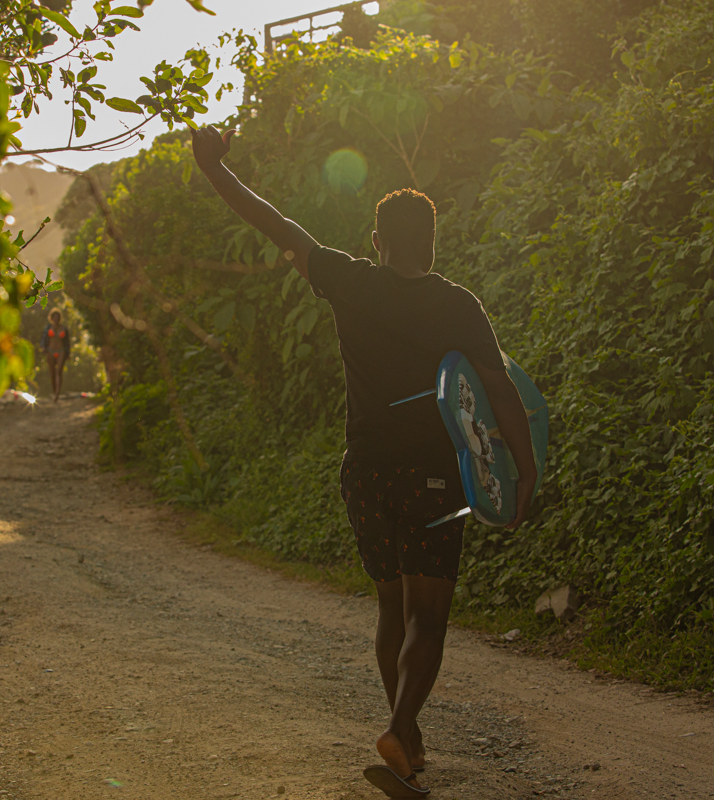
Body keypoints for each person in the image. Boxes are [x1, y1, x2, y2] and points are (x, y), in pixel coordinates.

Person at [191, 126, 537, 798]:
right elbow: (502, 394)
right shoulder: (458, 303)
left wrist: (214, 170)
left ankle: (405, 740)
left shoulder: (349, 281)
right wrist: (521, 473)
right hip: (434, 476)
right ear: (432, 242)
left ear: (378, 242)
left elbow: (275, 223)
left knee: (390, 607)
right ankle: (400, 724)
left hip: (366, 474)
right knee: (427, 616)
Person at [41, 309, 71, 402]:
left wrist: (68, 353)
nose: (56, 319)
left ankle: (57, 393)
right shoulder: (47, 328)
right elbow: (43, 339)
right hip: (50, 351)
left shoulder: (64, 329)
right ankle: (55, 392)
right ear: (51, 318)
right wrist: (43, 347)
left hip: (61, 350)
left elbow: (67, 342)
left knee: (59, 371)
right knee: (52, 373)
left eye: (58, 317)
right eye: (54, 317)